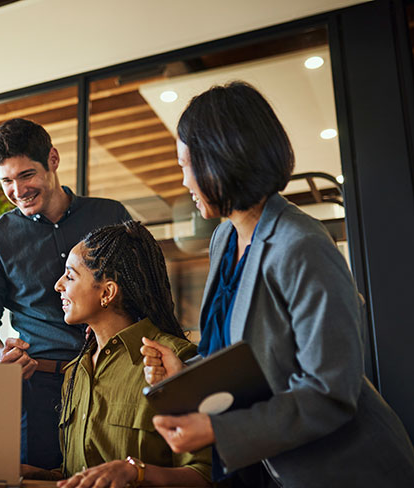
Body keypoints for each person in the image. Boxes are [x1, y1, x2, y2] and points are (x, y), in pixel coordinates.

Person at [141, 81, 414, 487]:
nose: (183, 181)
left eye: (185, 165)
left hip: (345, 470)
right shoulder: (224, 238)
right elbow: (251, 356)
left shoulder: (302, 245)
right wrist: (185, 372)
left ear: (221, 160)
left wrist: (220, 429)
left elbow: (329, 389)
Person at [0, 118, 131, 469]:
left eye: (27, 175)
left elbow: (142, 292)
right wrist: (0, 354)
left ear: (53, 160)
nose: (17, 190)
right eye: (6, 181)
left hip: (114, 379)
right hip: (40, 389)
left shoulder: (110, 215)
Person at [22, 221, 212, 488]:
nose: (58, 285)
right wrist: (41, 476)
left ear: (107, 292)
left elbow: (204, 476)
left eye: (71, 276)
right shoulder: (76, 371)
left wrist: (136, 471)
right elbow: (85, 471)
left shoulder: (173, 360)